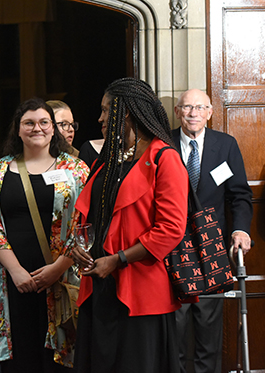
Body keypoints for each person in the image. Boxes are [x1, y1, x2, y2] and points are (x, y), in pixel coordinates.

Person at [71, 77, 189, 373]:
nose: (100, 119)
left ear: (125, 112)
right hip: (98, 284)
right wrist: (78, 246)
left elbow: (171, 229)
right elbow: (91, 213)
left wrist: (118, 259)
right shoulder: (106, 160)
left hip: (140, 290)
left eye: (106, 110)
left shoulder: (164, 157)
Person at [0, 98, 89, 372]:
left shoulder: (76, 170)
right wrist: (15, 271)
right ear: (18, 128)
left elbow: (85, 225)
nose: (37, 128)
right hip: (14, 283)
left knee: (62, 361)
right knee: (21, 360)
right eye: (29, 123)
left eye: (43, 122)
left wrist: (57, 268)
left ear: (53, 129)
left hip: (62, 280)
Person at [173, 89, 253, 373]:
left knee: (208, 332)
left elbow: (239, 196)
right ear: (177, 112)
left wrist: (241, 230)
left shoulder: (226, 145)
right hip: (173, 250)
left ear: (209, 112)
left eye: (199, 107)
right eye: (187, 107)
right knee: (175, 331)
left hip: (212, 249)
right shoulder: (162, 144)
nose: (193, 113)